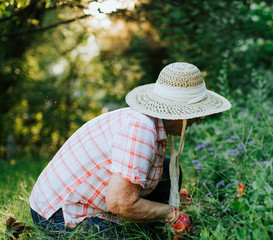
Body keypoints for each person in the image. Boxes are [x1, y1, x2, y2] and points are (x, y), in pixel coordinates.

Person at [29, 62, 231, 238]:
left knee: (170, 170)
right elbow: (119, 203)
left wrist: (173, 200)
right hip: (58, 214)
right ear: (180, 113)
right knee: (119, 237)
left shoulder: (147, 121)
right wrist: (172, 213)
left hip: (64, 201)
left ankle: (154, 228)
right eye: (197, 115)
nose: (198, 121)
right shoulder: (141, 129)